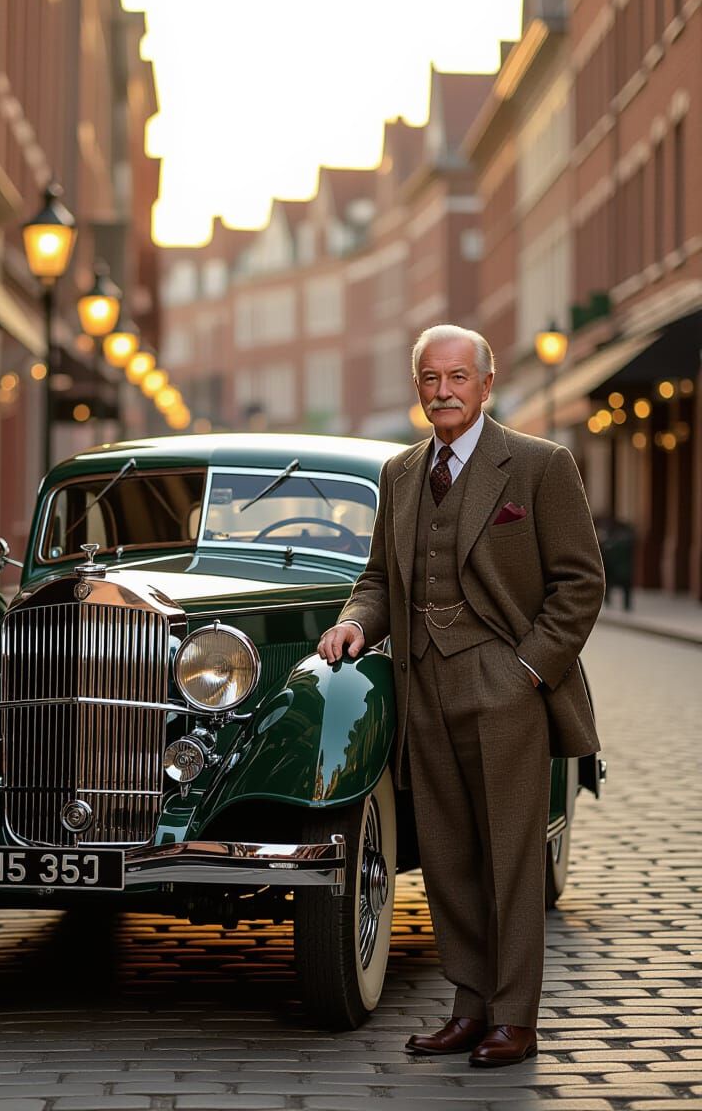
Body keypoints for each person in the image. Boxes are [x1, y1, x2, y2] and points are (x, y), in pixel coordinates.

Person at [318, 324, 604, 1067]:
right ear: (419, 389)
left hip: (505, 683)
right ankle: (469, 1007)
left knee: (510, 857)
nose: (443, 392)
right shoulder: (400, 473)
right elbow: (380, 578)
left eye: (456, 378)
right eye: (429, 380)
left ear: (485, 383)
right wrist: (354, 624)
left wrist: (529, 670)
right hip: (422, 685)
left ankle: (515, 1018)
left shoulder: (540, 465)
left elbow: (581, 582)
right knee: (447, 857)